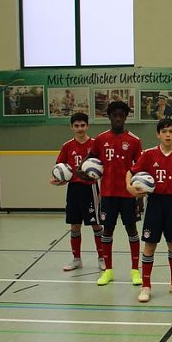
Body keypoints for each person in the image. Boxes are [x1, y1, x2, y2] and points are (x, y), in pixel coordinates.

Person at [127, 118, 172, 303]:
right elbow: (131, 172)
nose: (168, 135)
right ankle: (146, 286)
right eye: (164, 132)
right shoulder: (148, 154)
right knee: (150, 245)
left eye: (171, 131)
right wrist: (129, 187)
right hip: (154, 203)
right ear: (158, 134)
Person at [85, 101, 144, 286]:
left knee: (132, 230)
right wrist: (81, 171)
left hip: (128, 195)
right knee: (107, 230)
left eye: (121, 115)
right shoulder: (100, 139)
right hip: (108, 194)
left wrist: (139, 196)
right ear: (109, 116)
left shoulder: (134, 140)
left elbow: (140, 170)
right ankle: (108, 271)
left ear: (126, 117)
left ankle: (135, 271)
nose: (118, 118)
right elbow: (90, 160)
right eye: (114, 115)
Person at [50, 112, 105, 272]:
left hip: (90, 188)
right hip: (73, 189)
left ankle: (102, 258)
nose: (80, 129)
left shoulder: (95, 145)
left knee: (96, 224)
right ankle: (76, 259)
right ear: (71, 127)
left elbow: (103, 167)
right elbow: (60, 167)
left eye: (82, 125)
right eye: (76, 126)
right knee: (74, 225)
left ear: (87, 126)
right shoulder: (67, 146)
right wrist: (59, 180)